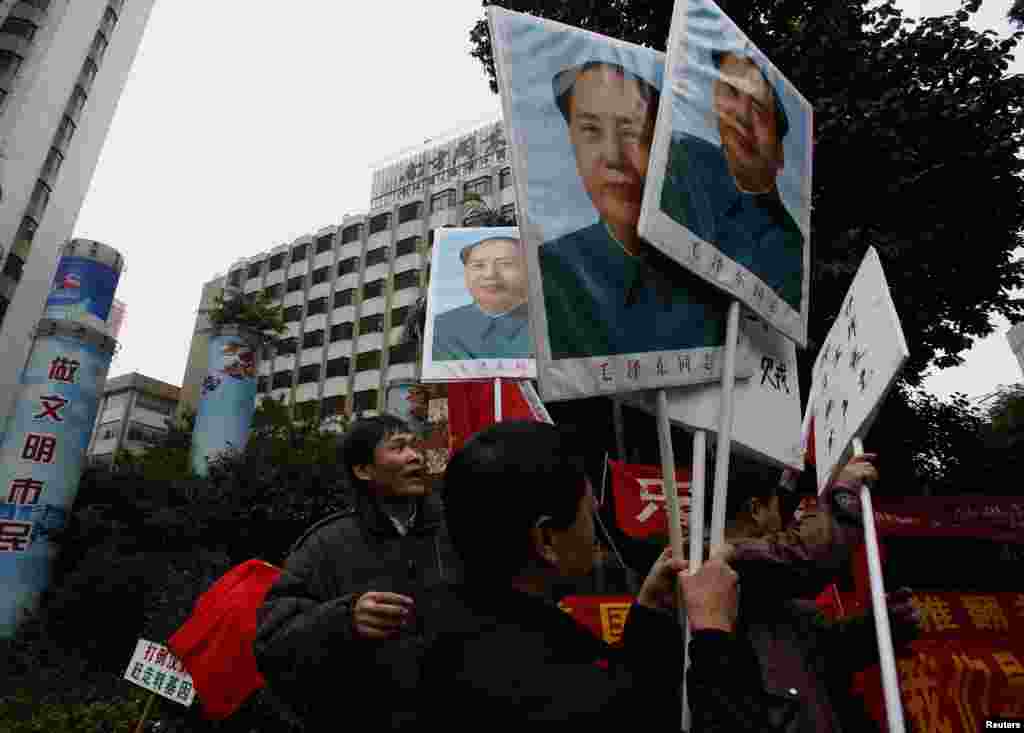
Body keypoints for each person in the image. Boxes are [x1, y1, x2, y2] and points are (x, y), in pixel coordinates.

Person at [415, 420, 789, 729]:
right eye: (586, 511)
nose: (595, 517)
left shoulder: (461, 632)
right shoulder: (538, 687)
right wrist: (714, 637)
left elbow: (627, 694)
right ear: (546, 538)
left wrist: (649, 615)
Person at [253, 415, 461, 730]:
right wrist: (344, 619)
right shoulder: (324, 545)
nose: (415, 455)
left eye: (415, 446)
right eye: (399, 447)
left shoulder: (458, 534)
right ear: (363, 470)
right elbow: (273, 644)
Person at [712, 456, 921, 733]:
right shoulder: (716, 563)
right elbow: (805, 555)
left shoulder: (772, 594)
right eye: (777, 506)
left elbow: (828, 652)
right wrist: (843, 493)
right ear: (756, 509)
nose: (784, 521)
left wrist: (879, 626)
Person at [540, 61, 731, 359]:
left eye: (632, 131)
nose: (613, 157)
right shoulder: (548, 274)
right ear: (571, 141)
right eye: (590, 130)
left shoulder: (716, 264)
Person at [661, 48, 804, 310]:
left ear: (780, 154)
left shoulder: (789, 250)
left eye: (759, 109)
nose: (741, 115)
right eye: (731, 92)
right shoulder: (677, 159)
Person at [432, 235, 530, 361]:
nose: (490, 274)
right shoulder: (440, 327)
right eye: (478, 266)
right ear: (465, 273)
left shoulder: (550, 325)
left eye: (505, 264)